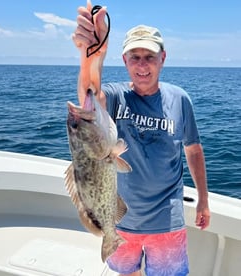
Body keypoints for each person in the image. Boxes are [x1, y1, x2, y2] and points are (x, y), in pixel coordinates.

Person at [72, 3, 210, 276]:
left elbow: (193, 149)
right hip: (120, 219)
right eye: (134, 56)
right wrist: (91, 54)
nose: (142, 64)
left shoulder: (180, 99)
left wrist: (203, 199)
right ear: (124, 60)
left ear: (163, 58)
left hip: (167, 220)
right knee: (128, 273)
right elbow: (90, 94)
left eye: (150, 56)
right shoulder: (114, 96)